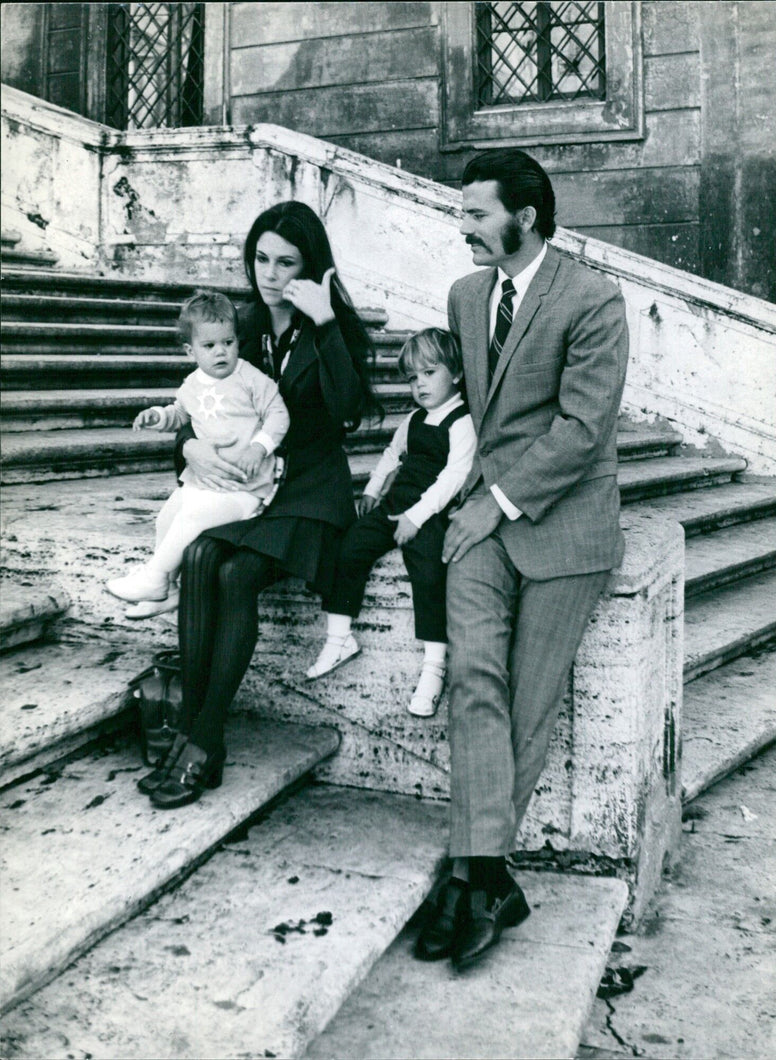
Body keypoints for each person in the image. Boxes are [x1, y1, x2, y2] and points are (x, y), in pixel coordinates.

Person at [414, 149, 629, 969]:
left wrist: (499, 504)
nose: (460, 225)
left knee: (531, 703)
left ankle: (477, 874)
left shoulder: (593, 298)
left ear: (524, 218)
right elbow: (467, 405)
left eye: (474, 213)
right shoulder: (467, 296)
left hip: (564, 522)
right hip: (482, 520)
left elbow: (583, 429)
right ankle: (486, 875)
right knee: (475, 678)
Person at [139, 201, 381, 810]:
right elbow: (201, 403)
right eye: (261, 259)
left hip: (308, 490)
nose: (270, 274)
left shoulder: (332, 324)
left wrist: (325, 325)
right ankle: (196, 732)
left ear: (312, 266)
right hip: (244, 486)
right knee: (197, 557)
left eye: (287, 262)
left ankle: (203, 739)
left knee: (237, 572)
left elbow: (350, 410)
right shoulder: (237, 323)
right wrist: (189, 447)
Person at [306, 327, 477, 717]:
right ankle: (339, 636)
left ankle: (434, 665)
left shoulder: (461, 422)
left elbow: (454, 476)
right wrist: (372, 489)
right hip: (396, 505)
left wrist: (415, 519)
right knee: (350, 545)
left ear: (456, 374)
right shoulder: (415, 419)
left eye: (429, 374)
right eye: (412, 378)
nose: (419, 385)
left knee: (430, 572)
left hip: (431, 514)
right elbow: (392, 453)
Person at [106, 290, 289, 616]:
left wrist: (258, 448)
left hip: (243, 487)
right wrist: (159, 416)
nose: (222, 352)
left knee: (192, 517)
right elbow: (181, 414)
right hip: (204, 482)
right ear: (191, 350)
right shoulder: (191, 384)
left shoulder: (250, 378)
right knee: (167, 516)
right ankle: (168, 590)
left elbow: (279, 415)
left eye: (228, 342)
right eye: (210, 346)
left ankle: (155, 577)